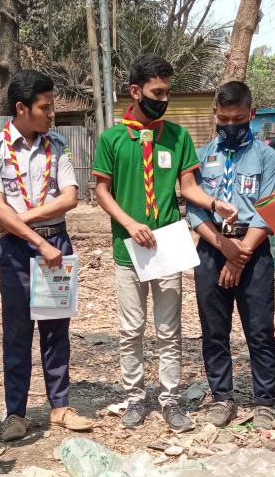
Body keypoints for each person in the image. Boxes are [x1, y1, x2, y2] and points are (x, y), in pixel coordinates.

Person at [92, 54, 238, 432]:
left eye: (167, 92)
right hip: (129, 248)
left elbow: (188, 188)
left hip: (168, 245)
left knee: (169, 329)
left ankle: (170, 399)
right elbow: (102, 191)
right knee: (131, 328)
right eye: (157, 92)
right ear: (135, 91)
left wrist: (213, 202)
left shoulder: (177, 136)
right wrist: (128, 223)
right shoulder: (111, 139)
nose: (163, 99)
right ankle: (135, 397)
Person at [0, 69, 95, 438]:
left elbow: (69, 198)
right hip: (19, 251)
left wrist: (21, 218)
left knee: (56, 329)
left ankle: (59, 406)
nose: (51, 114)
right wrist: (32, 237)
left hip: (57, 246)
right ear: (21, 107)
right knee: (16, 332)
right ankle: (16, 413)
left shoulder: (57, 144)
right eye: (45, 108)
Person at [186, 81, 275, 428]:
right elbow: (195, 212)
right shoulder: (201, 156)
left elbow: (267, 210)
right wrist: (223, 248)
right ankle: (221, 397)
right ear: (215, 114)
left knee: (259, 328)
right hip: (212, 248)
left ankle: (265, 400)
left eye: (237, 118)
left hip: (252, 250)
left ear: (251, 115)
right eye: (223, 118)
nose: (230, 125)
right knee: (214, 329)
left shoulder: (267, 156)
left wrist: (238, 257)